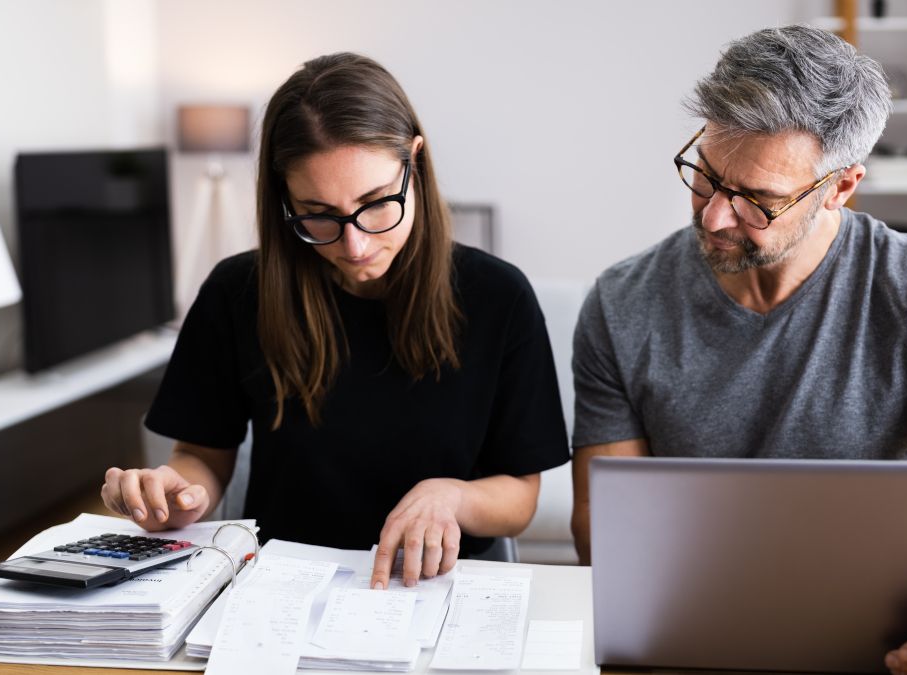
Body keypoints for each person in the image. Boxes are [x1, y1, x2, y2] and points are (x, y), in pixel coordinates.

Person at [569, 25, 907, 675]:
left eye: (757, 201)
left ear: (841, 186)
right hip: (690, 649)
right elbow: (604, 532)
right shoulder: (622, 304)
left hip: (890, 651)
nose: (715, 216)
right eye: (706, 175)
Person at [100, 52, 569, 590]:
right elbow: (202, 457)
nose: (355, 244)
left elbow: (520, 496)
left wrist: (450, 495)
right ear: (284, 199)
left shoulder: (498, 296)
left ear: (414, 161)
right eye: (318, 214)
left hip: (442, 587)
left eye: (375, 203)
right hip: (282, 584)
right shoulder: (237, 293)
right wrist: (173, 492)